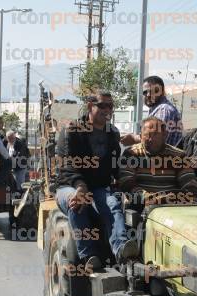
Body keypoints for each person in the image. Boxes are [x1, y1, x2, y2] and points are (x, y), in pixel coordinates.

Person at [55, 90, 138, 270]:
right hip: (69, 186)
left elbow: (115, 167)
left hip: (99, 188)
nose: (107, 109)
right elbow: (67, 166)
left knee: (113, 205)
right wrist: (80, 186)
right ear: (90, 106)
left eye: (110, 106)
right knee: (77, 202)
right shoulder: (72, 131)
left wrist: (127, 184)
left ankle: (121, 250)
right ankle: (88, 256)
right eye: (102, 105)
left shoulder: (112, 134)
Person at [119, 116, 197, 206]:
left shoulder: (179, 156)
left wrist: (184, 199)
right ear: (140, 136)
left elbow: (190, 185)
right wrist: (149, 198)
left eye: (155, 134)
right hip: (141, 207)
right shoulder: (131, 154)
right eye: (146, 135)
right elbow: (126, 182)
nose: (150, 139)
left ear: (165, 135)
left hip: (172, 207)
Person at [121, 75, 183, 147]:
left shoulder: (163, 110)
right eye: (145, 92)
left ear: (162, 92)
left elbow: (156, 141)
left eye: (154, 91)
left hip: (163, 157)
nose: (148, 95)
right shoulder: (157, 109)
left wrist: (134, 139)